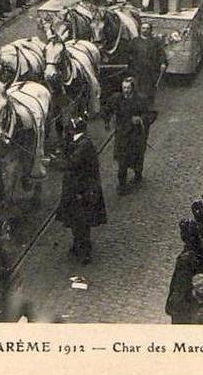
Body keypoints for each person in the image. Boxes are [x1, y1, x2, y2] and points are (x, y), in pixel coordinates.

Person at [55, 117, 107, 265]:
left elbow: (71, 163)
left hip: (82, 190)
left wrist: (55, 161)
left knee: (82, 221)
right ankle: (77, 243)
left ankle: (85, 251)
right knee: (75, 219)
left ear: (73, 130)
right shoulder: (79, 141)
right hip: (77, 188)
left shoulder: (84, 145)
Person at [103, 77, 157, 194]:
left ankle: (138, 174)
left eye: (128, 88)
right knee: (122, 159)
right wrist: (107, 121)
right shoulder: (117, 98)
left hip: (136, 135)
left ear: (133, 88)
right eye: (124, 88)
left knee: (137, 155)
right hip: (122, 134)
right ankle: (122, 185)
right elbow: (107, 109)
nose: (126, 90)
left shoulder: (140, 100)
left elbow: (151, 114)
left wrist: (140, 119)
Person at [165, 219, 201, 324]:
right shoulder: (199, 249)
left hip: (183, 306)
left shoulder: (186, 259)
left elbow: (181, 285)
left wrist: (172, 305)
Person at [127, 22, 168, 108]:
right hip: (138, 70)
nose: (145, 30)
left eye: (147, 28)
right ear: (140, 30)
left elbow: (161, 53)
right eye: (143, 28)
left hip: (151, 70)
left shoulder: (155, 42)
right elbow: (129, 54)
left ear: (150, 30)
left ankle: (148, 107)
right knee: (137, 88)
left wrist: (163, 63)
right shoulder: (135, 41)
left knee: (150, 89)